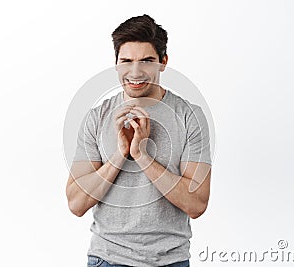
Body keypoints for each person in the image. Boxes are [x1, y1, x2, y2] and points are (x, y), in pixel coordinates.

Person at [65, 14, 212, 267]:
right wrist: (120, 154)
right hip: (107, 259)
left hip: (170, 260)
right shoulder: (97, 117)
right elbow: (76, 203)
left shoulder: (190, 117)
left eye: (147, 60)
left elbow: (196, 204)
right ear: (116, 63)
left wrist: (143, 156)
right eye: (126, 61)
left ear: (163, 62)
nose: (135, 72)